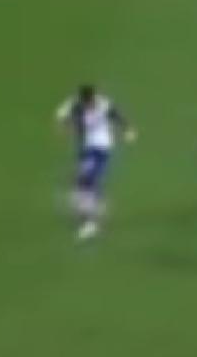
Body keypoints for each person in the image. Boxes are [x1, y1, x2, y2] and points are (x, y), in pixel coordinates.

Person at [55, 84, 137, 241]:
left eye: (91, 101)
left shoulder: (103, 104)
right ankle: (93, 208)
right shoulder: (75, 105)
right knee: (84, 181)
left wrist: (128, 130)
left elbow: (117, 115)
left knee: (86, 180)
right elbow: (61, 116)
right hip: (85, 148)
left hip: (101, 148)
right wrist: (65, 127)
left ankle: (90, 222)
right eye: (87, 102)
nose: (89, 104)